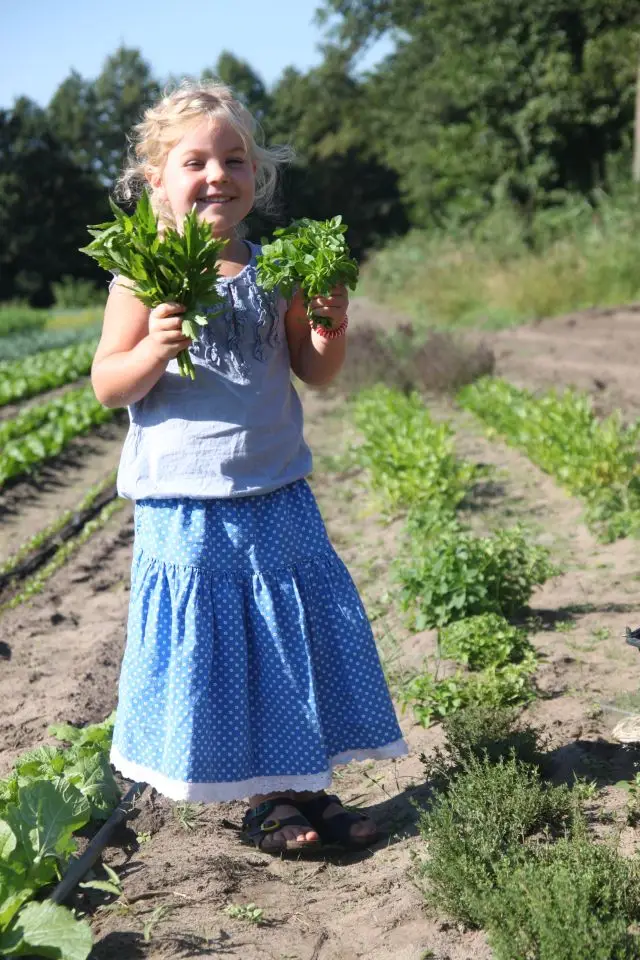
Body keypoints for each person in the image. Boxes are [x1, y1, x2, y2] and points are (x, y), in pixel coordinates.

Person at [91, 80, 407, 855]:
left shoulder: (274, 269)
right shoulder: (142, 276)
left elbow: (313, 370)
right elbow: (108, 384)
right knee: (221, 653)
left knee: (289, 641)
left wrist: (328, 325)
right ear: (157, 178)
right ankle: (261, 798)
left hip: (276, 492)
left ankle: (304, 786)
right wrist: (153, 348)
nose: (217, 175)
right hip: (187, 506)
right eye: (195, 161)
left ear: (256, 176)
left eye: (235, 160)